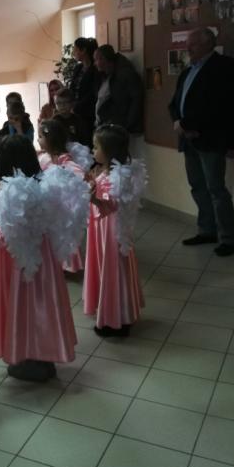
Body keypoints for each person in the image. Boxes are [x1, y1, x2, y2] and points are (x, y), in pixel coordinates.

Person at [0, 136, 88, 381]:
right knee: (43, 305)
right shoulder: (47, 186)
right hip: (45, 261)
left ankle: (26, 357)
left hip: (17, 265)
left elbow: (0, 237)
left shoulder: (8, 195)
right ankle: (45, 356)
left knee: (22, 307)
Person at [168, 27, 234, 256]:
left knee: (216, 189)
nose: (187, 48)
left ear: (208, 44)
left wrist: (190, 125)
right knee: (198, 186)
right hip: (188, 139)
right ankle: (207, 230)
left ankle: (228, 239)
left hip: (210, 138)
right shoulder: (189, 70)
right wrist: (178, 122)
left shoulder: (225, 67)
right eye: (187, 44)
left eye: (193, 44)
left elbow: (218, 105)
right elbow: (174, 103)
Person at [84, 124, 146, 337]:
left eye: (96, 147)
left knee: (114, 270)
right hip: (101, 227)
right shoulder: (106, 170)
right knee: (105, 268)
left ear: (109, 150)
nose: (93, 151)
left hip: (112, 230)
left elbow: (114, 206)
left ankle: (118, 320)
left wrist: (94, 199)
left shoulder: (121, 176)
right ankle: (109, 311)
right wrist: (94, 183)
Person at [37, 118, 92, 273]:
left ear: (50, 139)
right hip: (47, 202)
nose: (38, 140)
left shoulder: (64, 160)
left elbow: (78, 174)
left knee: (62, 232)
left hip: (61, 204)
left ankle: (67, 264)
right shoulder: (43, 157)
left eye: (40, 137)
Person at [93, 45, 144, 133]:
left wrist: (127, 124)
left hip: (122, 127)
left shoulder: (125, 74)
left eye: (96, 60)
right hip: (111, 124)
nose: (95, 63)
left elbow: (136, 99)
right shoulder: (108, 75)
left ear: (103, 59)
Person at [68, 37, 100, 144]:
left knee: (87, 141)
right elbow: (72, 88)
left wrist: (77, 107)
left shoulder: (95, 69)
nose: (74, 53)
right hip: (75, 112)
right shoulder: (78, 68)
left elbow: (92, 93)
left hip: (88, 113)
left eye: (75, 49)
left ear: (83, 50)